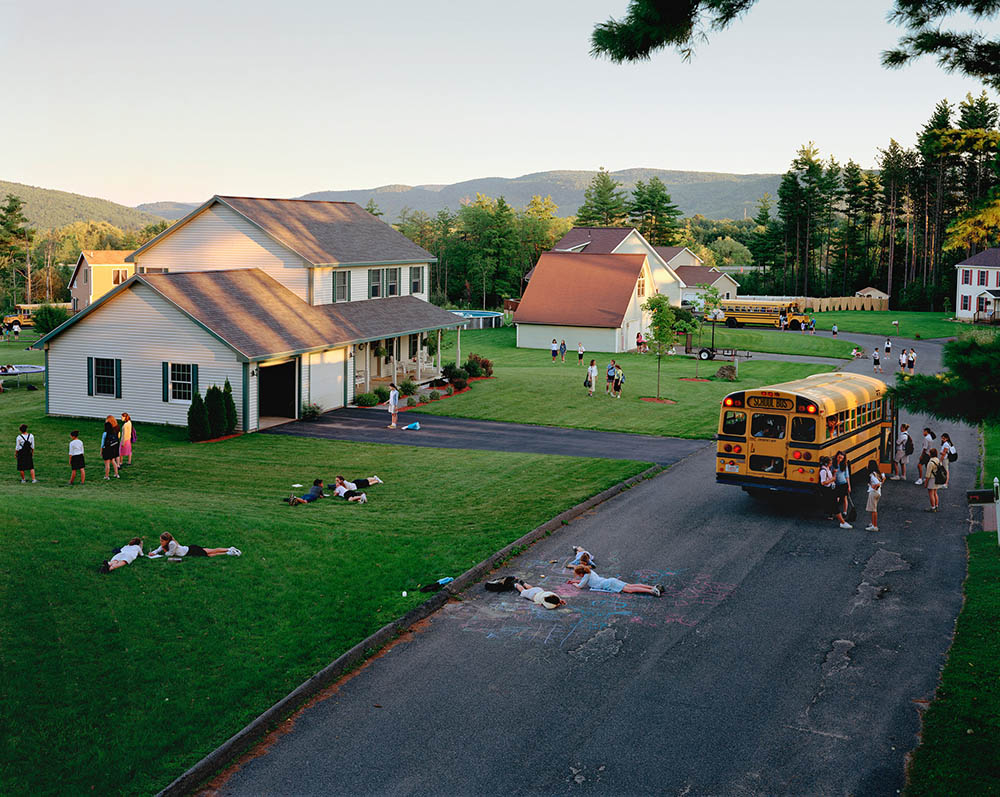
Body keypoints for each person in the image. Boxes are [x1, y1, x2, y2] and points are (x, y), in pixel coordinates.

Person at [569, 565, 662, 596]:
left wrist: (574, 584)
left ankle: (651, 591)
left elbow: (580, 586)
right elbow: (584, 582)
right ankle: (653, 587)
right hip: (610, 581)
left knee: (630, 590)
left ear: (581, 573)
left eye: (578, 575)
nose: (578, 577)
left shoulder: (585, 576)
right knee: (631, 586)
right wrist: (574, 581)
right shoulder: (589, 572)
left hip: (608, 584)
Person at [148, 531, 240, 558]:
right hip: (188, 552)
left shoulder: (172, 544)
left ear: (167, 540)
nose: (161, 543)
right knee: (209, 553)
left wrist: (164, 552)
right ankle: (228, 552)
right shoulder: (166, 544)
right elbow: (159, 548)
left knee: (210, 552)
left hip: (190, 550)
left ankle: (229, 549)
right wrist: (153, 552)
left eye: (162, 541)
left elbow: (170, 554)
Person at [819, 455, 851, 529]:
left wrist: (833, 473)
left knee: (834, 505)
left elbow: (831, 477)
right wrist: (832, 479)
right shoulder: (823, 471)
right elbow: (823, 482)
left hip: (831, 489)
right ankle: (842, 522)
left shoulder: (827, 469)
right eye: (830, 463)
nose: (831, 464)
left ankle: (842, 522)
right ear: (826, 463)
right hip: (828, 490)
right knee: (835, 506)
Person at [865, 460, 885, 532]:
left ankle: (874, 526)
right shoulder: (878, 473)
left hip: (873, 493)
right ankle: (873, 523)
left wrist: (874, 487)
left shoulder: (872, 475)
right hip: (878, 493)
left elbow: (877, 483)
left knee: (873, 510)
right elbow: (883, 478)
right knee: (873, 509)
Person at [832, 450, 851, 522]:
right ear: (836, 456)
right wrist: (833, 472)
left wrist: (849, 486)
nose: (840, 459)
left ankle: (845, 512)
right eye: (839, 457)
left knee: (844, 498)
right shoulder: (833, 465)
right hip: (835, 483)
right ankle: (836, 511)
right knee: (836, 498)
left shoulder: (844, 465)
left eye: (841, 458)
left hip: (843, 483)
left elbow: (847, 476)